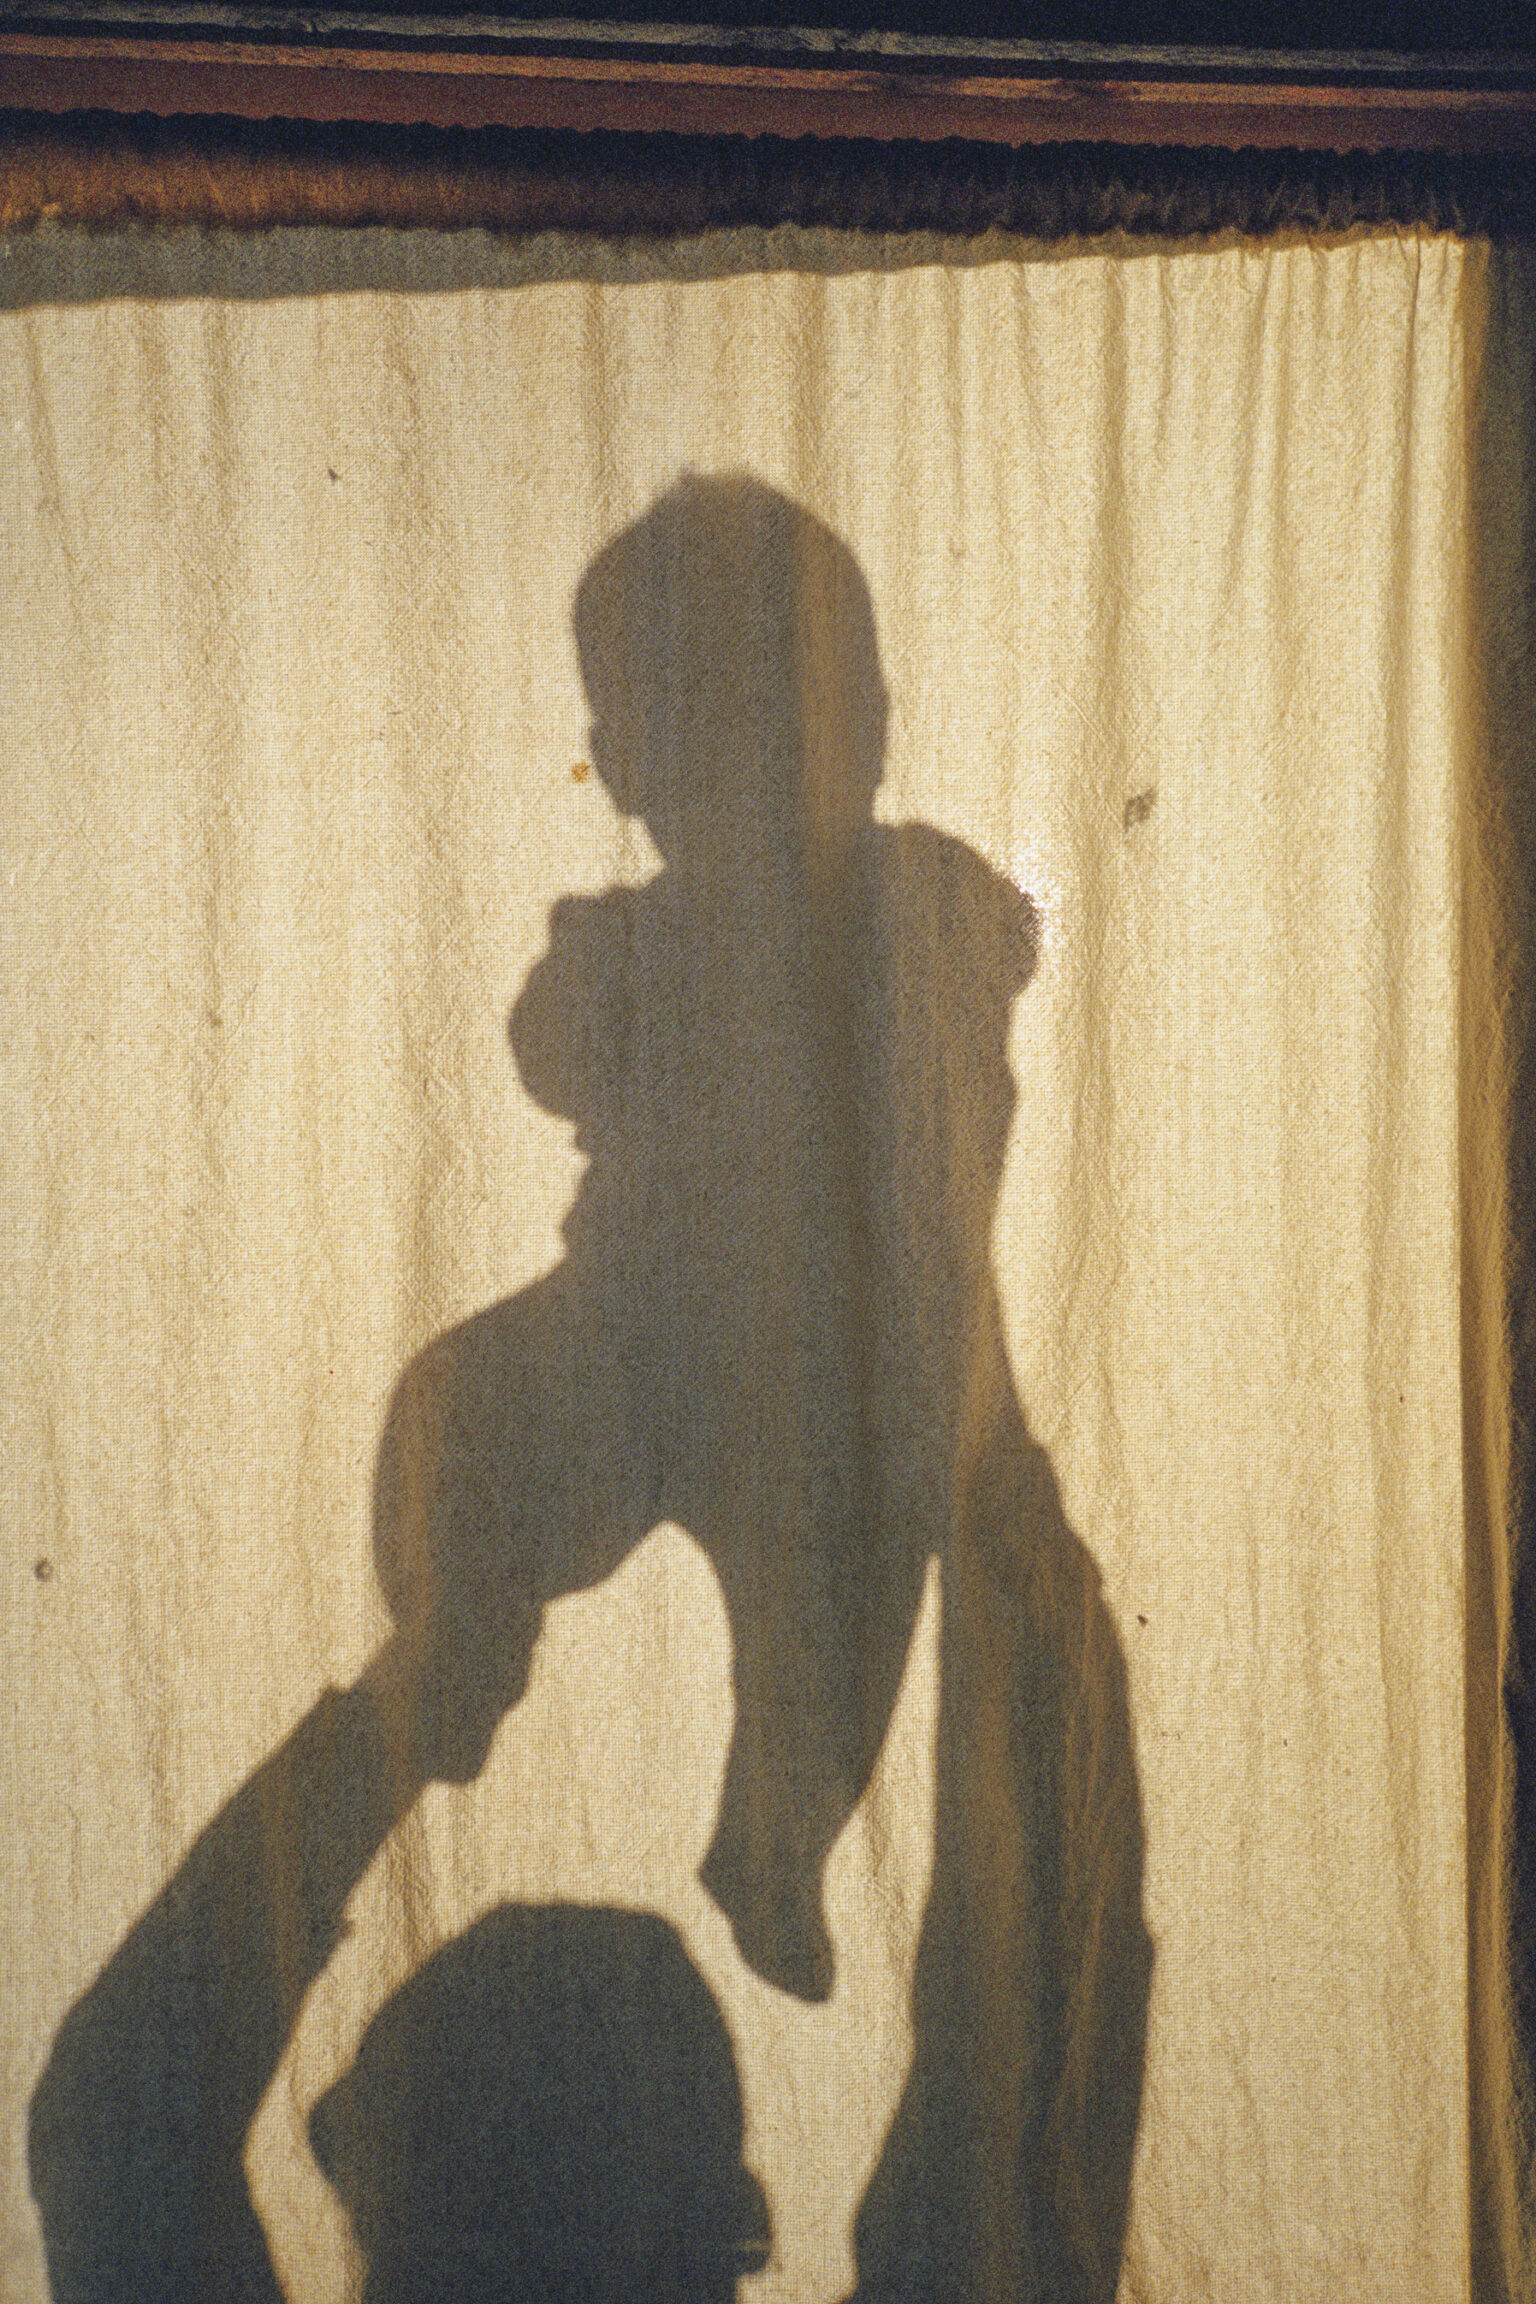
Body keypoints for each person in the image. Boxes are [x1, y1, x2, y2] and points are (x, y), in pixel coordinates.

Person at [32, 475, 1149, 2304]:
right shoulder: (663, 938)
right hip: (638, 1340)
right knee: (740, 1555)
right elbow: (1011, 2098)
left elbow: (113, 2129)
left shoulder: (911, 908)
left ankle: (770, 1834)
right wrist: (997, 1506)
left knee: (810, 1618)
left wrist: (403, 1719)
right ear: (735, 2228)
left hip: (753, 1390)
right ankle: (767, 1815)